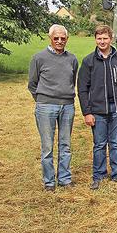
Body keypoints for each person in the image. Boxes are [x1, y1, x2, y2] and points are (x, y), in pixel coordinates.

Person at [78, 25, 117, 190]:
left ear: (111, 39)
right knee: (100, 144)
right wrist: (87, 112)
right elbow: (82, 89)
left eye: (105, 38)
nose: (102, 42)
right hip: (98, 110)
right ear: (95, 39)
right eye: (99, 38)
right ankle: (99, 175)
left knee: (116, 143)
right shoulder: (89, 61)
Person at [28, 24, 78, 191]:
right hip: (45, 107)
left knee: (65, 145)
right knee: (47, 147)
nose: (59, 41)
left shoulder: (72, 59)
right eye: (56, 38)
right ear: (50, 38)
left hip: (67, 107)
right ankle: (49, 182)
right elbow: (32, 84)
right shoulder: (38, 58)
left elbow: (72, 81)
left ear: (67, 39)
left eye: (62, 38)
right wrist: (43, 99)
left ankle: (64, 179)